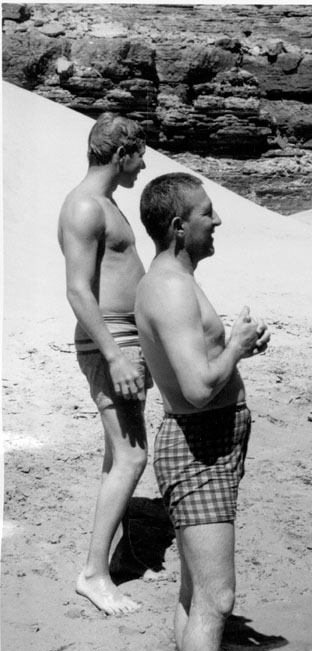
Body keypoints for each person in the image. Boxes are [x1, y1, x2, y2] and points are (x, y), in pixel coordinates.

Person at [135, 172, 270, 651]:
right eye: (207, 214)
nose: (217, 222)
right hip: (198, 446)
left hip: (211, 442)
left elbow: (196, 358)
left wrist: (235, 346)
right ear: (177, 226)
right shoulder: (168, 288)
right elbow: (193, 388)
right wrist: (234, 346)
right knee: (218, 599)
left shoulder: (179, 278)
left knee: (195, 592)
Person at [58, 112, 149, 616]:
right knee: (134, 457)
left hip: (123, 340)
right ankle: (94, 573)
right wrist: (115, 355)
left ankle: (114, 545)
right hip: (109, 343)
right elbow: (77, 289)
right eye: (140, 154)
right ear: (121, 154)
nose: (144, 164)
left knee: (119, 454)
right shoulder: (84, 207)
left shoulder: (105, 203)